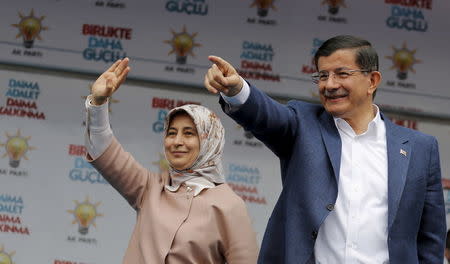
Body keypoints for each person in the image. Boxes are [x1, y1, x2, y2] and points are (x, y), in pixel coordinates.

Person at [204, 35, 446, 264]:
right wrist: (236, 90)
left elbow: (430, 240)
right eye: (322, 75)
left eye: (342, 74)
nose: (330, 85)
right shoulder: (302, 125)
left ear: (372, 81)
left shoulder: (420, 149)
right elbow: (266, 115)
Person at [84, 58, 258, 263]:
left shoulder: (229, 206)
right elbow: (103, 150)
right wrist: (97, 104)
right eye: (171, 133)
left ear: (210, 140)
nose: (177, 142)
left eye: (189, 133)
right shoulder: (150, 189)